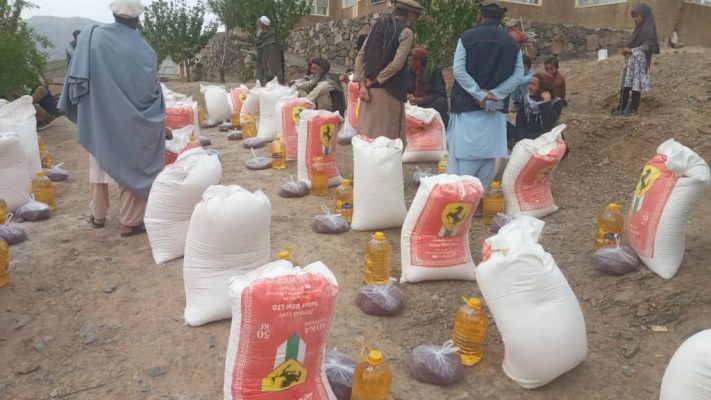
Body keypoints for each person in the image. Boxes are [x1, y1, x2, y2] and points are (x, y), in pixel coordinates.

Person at [58, 0, 170, 237]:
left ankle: (98, 215)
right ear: (137, 20)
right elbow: (150, 89)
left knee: (101, 158)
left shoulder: (93, 38)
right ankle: (129, 222)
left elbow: (75, 62)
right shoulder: (144, 50)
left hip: (101, 115)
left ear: (114, 14)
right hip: (131, 120)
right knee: (137, 162)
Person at [446, 1, 523, 190]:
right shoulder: (512, 43)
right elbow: (518, 75)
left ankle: (463, 194)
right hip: (494, 107)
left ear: (481, 16)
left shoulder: (466, 37)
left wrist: (479, 94)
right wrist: (494, 95)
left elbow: (459, 70)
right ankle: (481, 195)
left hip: (467, 104)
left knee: (465, 151)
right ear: (500, 20)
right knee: (488, 153)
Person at [354, 0, 423, 141]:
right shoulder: (406, 32)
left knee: (366, 137)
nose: (415, 20)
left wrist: (362, 85)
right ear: (409, 14)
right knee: (387, 140)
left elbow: (361, 55)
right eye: (416, 16)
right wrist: (374, 81)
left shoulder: (376, 27)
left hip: (368, 93)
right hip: (389, 92)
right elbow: (397, 64)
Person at [612, 3, 659, 117]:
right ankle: (621, 107)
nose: (634, 19)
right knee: (626, 84)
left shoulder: (648, 30)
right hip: (631, 62)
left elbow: (646, 47)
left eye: (637, 16)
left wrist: (630, 51)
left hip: (639, 63)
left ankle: (633, 109)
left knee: (635, 86)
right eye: (633, 16)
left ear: (644, 16)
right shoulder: (638, 29)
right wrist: (628, 51)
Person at [507, 73, 563, 147]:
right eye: (529, 83)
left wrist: (546, 102)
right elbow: (520, 122)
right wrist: (522, 137)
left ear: (543, 88)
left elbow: (548, 125)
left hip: (545, 136)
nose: (529, 87)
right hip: (526, 134)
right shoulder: (526, 98)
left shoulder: (556, 102)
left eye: (533, 84)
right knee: (503, 125)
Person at [407, 47, 449, 125]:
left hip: (430, 105)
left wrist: (421, 100)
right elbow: (406, 89)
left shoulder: (434, 71)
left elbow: (440, 93)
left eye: (410, 61)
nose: (408, 63)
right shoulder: (409, 73)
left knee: (441, 102)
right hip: (414, 107)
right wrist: (409, 96)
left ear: (418, 62)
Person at [255, 16, 284, 85]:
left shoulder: (271, 40)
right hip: (262, 68)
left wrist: (269, 72)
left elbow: (273, 59)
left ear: (262, 25)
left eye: (258, 23)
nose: (257, 25)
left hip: (268, 72)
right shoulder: (262, 37)